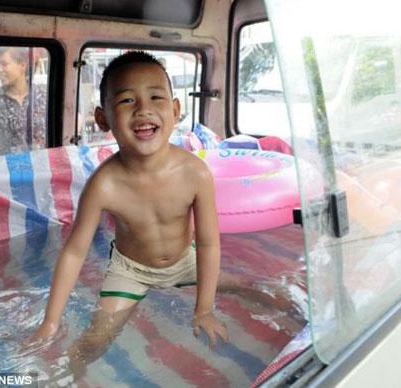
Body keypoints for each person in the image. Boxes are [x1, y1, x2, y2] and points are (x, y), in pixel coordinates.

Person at [27, 51, 294, 381]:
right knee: (93, 341)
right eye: (126, 100)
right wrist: (50, 322)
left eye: (156, 97)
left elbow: (209, 244)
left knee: (246, 287)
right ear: (102, 118)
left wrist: (204, 309)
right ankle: (67, 378)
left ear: (176, 110)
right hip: (131, 271)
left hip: (185, 261)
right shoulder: (103, 184)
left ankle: (295, 315)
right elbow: (74, 252)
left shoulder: (195, 173)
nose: (143, 109)